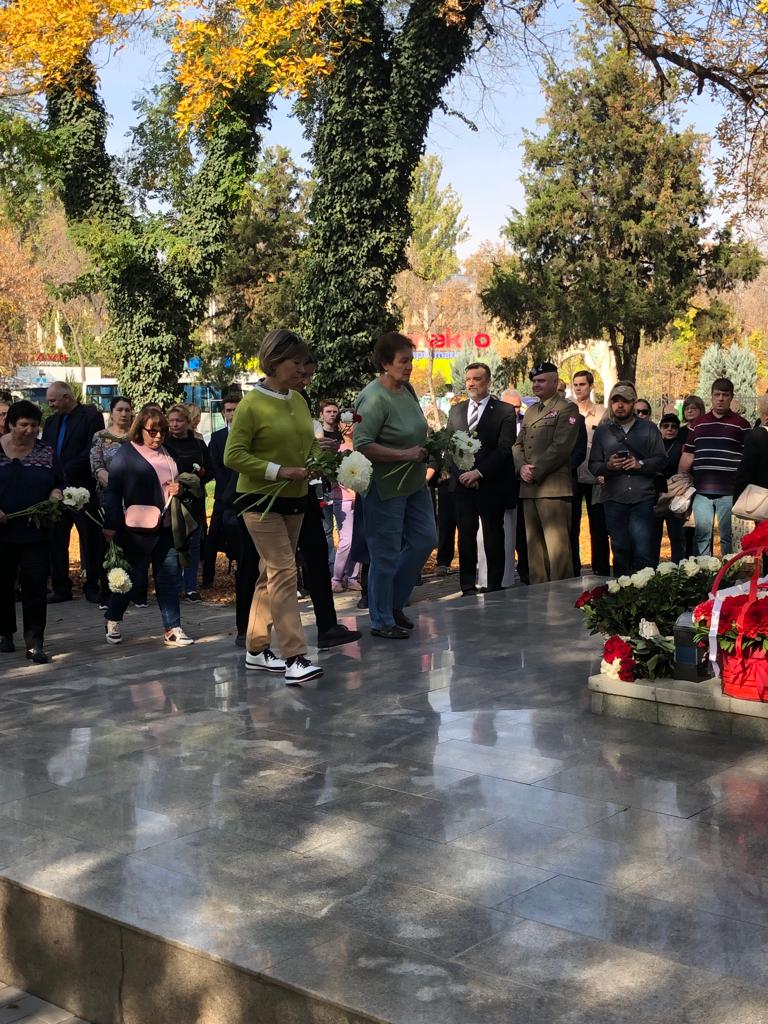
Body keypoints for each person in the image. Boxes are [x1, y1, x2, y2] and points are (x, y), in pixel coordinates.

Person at [224, 329, 325, 683]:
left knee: (271, 573)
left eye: (303, 363)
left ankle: (256, 649)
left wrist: (317, 458)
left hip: (294, 499)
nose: (302, 370)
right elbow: (233, 455)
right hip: (259, 501)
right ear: (275, 361)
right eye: (296, 363)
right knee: (284, 570)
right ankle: (295, 656)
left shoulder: (298, 400)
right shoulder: (251, 404)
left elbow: (307, 445)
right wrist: (279, 470)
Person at [353, 332, 436, 638]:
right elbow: (362, 444)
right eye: (403, 361)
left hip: (414, 482)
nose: (409, 367)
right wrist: (404, 454)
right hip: (385, 486)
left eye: (411, 360)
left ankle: (393, 603)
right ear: (386, 363)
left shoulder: (408, 389)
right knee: (384, 554)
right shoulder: (373, 397)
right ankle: (382, 619)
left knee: (425, 539)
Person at [102, 408, 194, 647]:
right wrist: (111, 524)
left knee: (169, 578)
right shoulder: (125, 454)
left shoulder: (169, 452)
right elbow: (113, 492)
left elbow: (182, 480)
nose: (158, 436)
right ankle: (113, 618)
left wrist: (180, 488)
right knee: (129, 579)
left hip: (166, 527)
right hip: (135, 529)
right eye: (152, 431)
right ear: (139, 429)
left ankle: (172, 628)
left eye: (162, 431)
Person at [0, 400, 64, 663]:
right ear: (11, 424)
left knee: (35, 587)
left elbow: (60, 481)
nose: (30, 430)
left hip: (36, 532)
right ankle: (4, 633)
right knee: (2, 585)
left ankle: (34, 642)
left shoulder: (46, 452)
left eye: (34, 425)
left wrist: (56, 493)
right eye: (24, 425)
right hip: (2, 533)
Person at [446, 362, 516, 595]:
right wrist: (462, 475)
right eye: (468, 379)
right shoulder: (456, 411)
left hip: (491, 484)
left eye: (477, 379)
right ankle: (467, 586)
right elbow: (449, 447)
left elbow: (504, 449)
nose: (471, 383)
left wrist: (478, 473)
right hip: (462, 486)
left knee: (493, 535)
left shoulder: (504, 411)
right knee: (465, 537)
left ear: (488, 382)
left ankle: (494, 585)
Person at [589, 381, 667, 575]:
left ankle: (645, 590)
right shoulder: (602, 432)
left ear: (633, 403)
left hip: (642, 498)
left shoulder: (649, 429)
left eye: (624, 401)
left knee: (643, 551)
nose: (620, 405)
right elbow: (593, 465)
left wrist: (640, 464)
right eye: (615, 401)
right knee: (620, 550)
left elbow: (661, 460)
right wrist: (608, 466)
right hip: (614, 498)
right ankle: (622, 590)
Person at [512, 361, 580, 584]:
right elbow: (517, 445)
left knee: (557, 550)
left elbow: (561, 446)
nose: (536, 385)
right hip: (528, 488)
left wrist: (536, 470)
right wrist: (521, 467)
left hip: (552, 488)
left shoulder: (567, 408)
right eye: (534, 381)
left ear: (555, 382)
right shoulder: (531, 411)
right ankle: (538, 594)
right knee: (534, 551)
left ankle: (561, 594)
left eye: (541, 380)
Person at [42, 381, 104, 603]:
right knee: (56, 540)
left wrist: (64, 471)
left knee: (90, 540)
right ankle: (61, 587)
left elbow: (91, 450)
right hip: (56, 491)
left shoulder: (90, 417)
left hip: (82, 488)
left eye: (53, 400)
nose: (50, 405)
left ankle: (92, 586)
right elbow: (46, 450)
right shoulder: (51, 422)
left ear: (66, 397)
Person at [679, 378, 750, 556]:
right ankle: (705, 570)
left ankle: (729, 570)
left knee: (727, 537)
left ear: (731, 397)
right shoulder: (698, 424)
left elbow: (748, 458)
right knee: (702, 536)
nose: (720, 399)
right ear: (711, 396)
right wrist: (681, 480)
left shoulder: (742, 425)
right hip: (701, 491)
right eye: (717, 394)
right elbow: (688, 455)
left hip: (729, 492)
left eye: (725, 395)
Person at [164, 403, 212, 601]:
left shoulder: (198, 444)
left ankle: (191, 587)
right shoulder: (165, 444)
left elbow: (210, 470)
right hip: (172, 502)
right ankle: (174, 586)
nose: (174, 424)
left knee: (194, 544)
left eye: (179, 420)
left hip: (194, 501)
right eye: (171, 420)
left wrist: (198, 478)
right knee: (174, 544)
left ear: (188, 422)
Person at [90, 395, 134, 607]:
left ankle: (130, 590)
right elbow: (96, 466)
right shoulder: (100, 436)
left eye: (127, 410)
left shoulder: (136, 436)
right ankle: (107, 592)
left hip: (134, 499)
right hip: (108, 498)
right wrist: (115, 484)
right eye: (120, 410)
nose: (124, 414)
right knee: (108, 546)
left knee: (130, 545)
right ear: (112, 412)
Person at [570, 370, 610, 576]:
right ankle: (572, 570)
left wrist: (605, 471)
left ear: (591, 386)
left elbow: (609, 444)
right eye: (575, 384)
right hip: (572, 476)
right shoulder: (567, 412)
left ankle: (601, 571)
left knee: (599, 527)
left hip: (596, 478)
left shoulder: (603, 413)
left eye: (582, 384)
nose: (579, 388)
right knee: (571, 525)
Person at [202, 393, 240, 589]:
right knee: (213, 538)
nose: (232, 414)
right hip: (223, 496)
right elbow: (214, 466)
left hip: (244, 496)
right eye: (229, 410)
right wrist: (226, 490)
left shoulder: (251, 435)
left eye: (236, 410)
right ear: (223, 413)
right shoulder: (217, 437)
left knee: (243, 538)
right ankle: (208, 579)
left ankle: (243, 576)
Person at [654, 413, 686, 563]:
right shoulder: (654, 446)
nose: (669, 429)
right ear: (660, 428)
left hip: (675, 496)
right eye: (666, 426)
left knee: (677, 536)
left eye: (674, 426)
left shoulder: (682, 447)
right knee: (653, 536)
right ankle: (651, 569)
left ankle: (678, 568)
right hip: (655, 495)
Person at [735, 395, 768, 500]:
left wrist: (737, 498)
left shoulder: (757, 436)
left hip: (760, 498)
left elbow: (746, 471)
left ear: (766, 417)